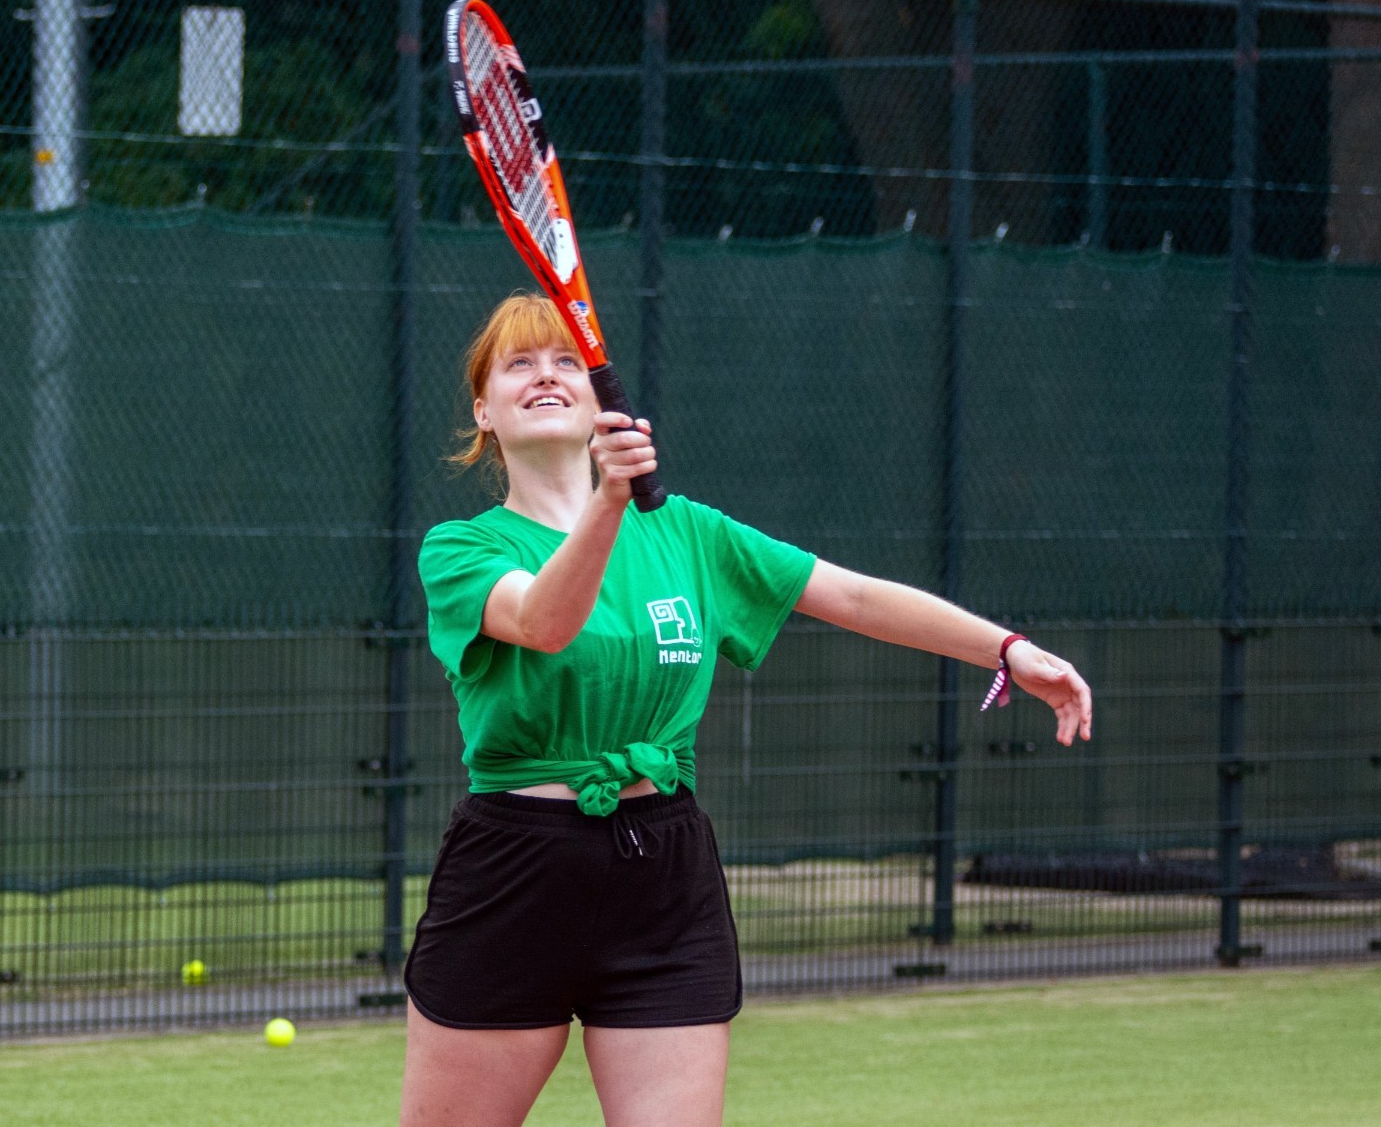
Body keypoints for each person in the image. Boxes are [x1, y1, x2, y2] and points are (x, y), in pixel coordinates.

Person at [401, 293, 1092, 1127]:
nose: (546, 375)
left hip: (661, 875)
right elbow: (546, 622)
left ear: (597, 402)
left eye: (566, 362)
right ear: (484, 410)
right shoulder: (463, 549)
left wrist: (1008, 649)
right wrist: (612, 503)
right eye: (519, 363)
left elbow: (853, 594)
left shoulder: (688, 533)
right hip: (514, 876)